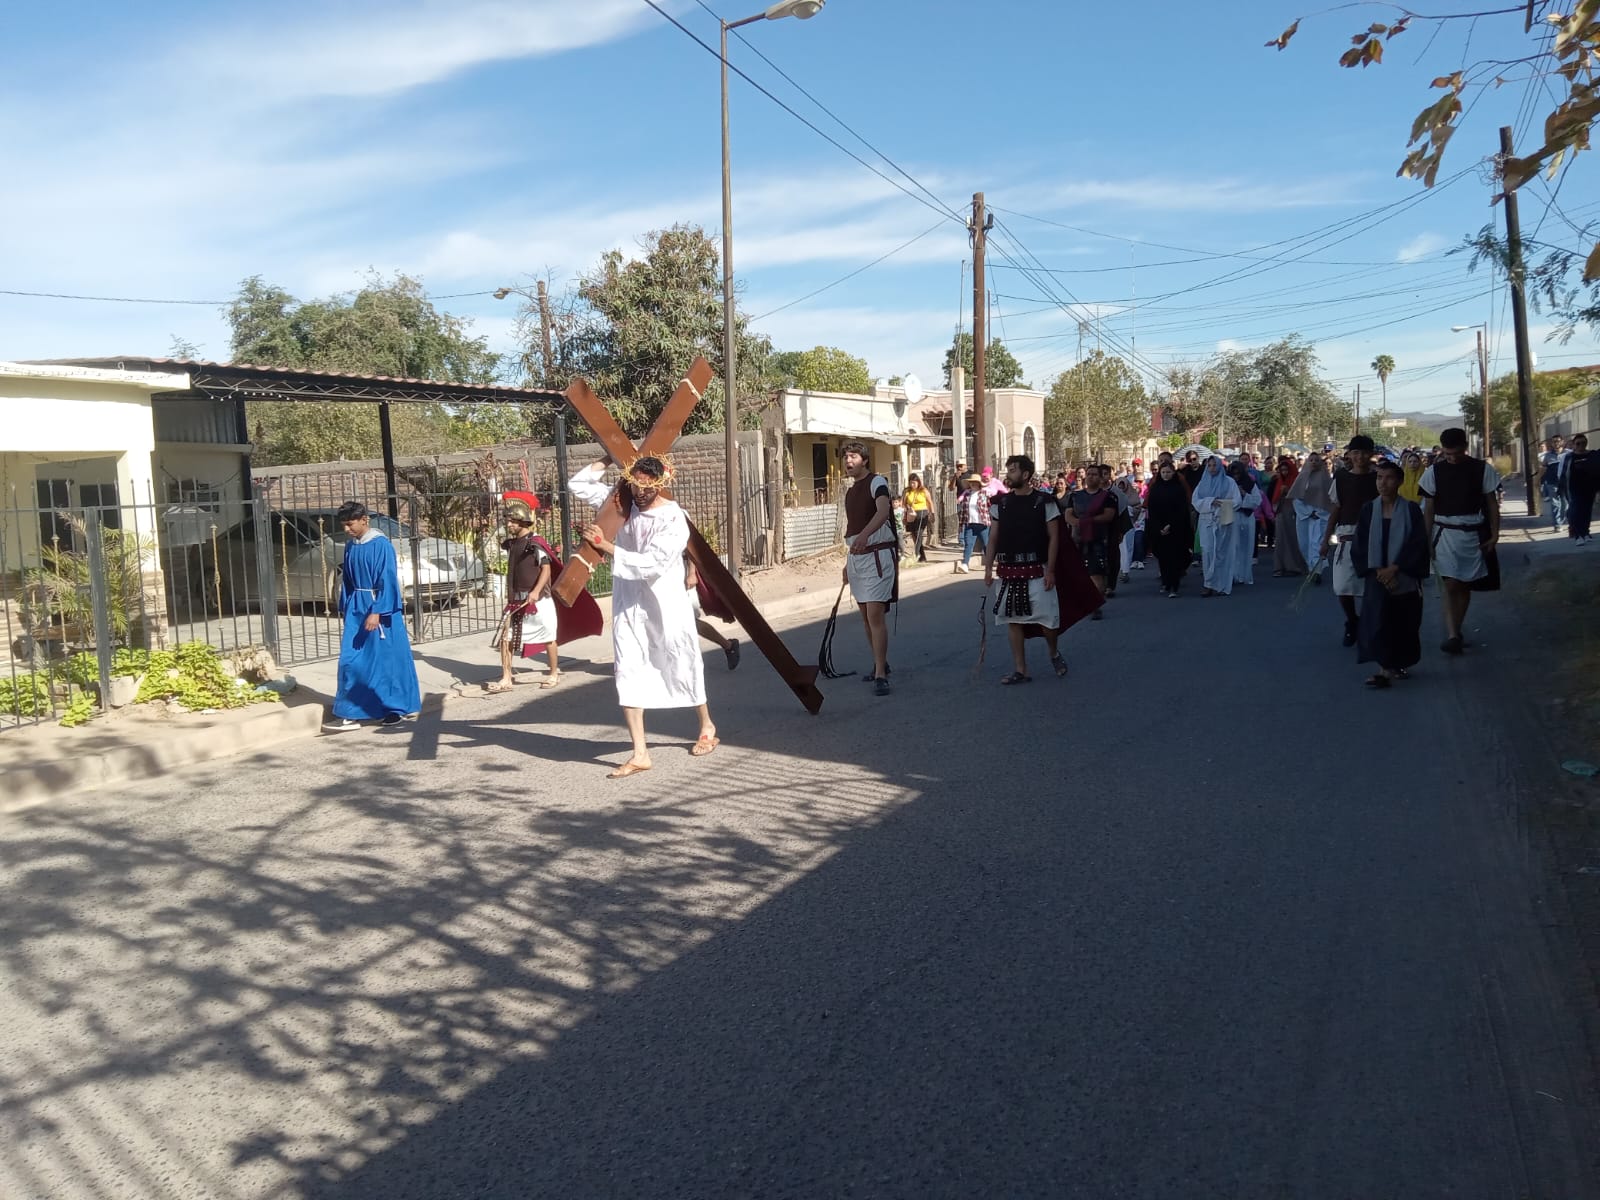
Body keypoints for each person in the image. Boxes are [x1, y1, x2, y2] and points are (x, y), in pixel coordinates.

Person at [570, 456, 718, 778]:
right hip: (629, 604)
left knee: (681, 659)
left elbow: (652, 563)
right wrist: (609, 456)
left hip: (665, 602)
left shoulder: (674, 517)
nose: (639, 492)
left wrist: (605, 546)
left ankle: (706, 724)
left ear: (661, 483)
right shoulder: (622, 505)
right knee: (628, 668)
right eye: (634, 483)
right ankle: (640, 752)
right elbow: (579, 484)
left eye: (646, 486)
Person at [326, 501, 422, 729]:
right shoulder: (351, 546)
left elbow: (388, 580)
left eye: (351, 524)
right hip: (357, 609)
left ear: (364, 520)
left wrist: (377, 611)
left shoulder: (381, 546)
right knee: (352, 660)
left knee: (386, 661)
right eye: (344, 525)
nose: (347, 529)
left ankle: (394, 708)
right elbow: (347, 580)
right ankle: (351, 711)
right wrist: (346, 605)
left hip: (379, 610)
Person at [983, 455, 1068, 683]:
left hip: (1037, 569)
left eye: (1013, 470)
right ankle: (1021, 670)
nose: (1008, 474)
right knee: (1013, 620)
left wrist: (1050, 570)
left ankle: (1053, 652)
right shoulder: (1000, 503)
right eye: (1008, 470)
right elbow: (993, 537)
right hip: (1008, 569)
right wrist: (988, 568)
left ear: (1026, 475)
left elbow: (1054, 538)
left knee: (1048, 620)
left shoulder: (1044, 502)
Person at [1419, 426, 1500, 655]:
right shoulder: (1433, 472)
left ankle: (1458, 628)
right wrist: (1426, 540)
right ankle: (1453, 633)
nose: (1452, 458)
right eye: (1447, 454)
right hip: (1444, 533)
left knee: (1464, 583)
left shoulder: (1482, 469)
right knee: (1451, 583)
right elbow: (1429, 509)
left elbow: (1492, 503)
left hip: (1473, 533)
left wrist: (1495, 533)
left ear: (1465, 447)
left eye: (1456, 453)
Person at [1351, 459, 1429, 688]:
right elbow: (1361, 544)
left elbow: (1417, 543)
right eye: (1379, 477)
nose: (1383, 483)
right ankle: (1384, 669)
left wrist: (1395, 569)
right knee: (1377, 620)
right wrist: (1379, 572)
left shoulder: (1411, 509)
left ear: (1400, 482)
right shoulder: (1368, 509)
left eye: (1389, 478)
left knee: (1403, 622)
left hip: (1403, 575)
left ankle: (1398, 663)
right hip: (1376, 576)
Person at [838, 441, 896, 693]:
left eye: (853, 456)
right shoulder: (850, 492)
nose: (848, 461)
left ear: (865, 460)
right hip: (858, 559)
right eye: (845, 457)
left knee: (874, 613)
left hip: (877, 556)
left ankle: (881, 674)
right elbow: (852, 532)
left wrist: (865, 535)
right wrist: (847, 564)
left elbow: (883, 511)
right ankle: (878, 662)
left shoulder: (877, 483)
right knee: (864, 616)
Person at [486, 497, 560, 693]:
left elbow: (546, 570)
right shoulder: (513, 544)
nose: (508, 524)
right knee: (505, 638)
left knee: (548, 637)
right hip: (516, 600)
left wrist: (535, 591)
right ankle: (506, 678)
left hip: (539, 600)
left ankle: (553, 673)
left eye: (512, 521)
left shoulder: (535, 543)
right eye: (507, 521)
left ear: (522, 521)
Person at [1322, 435, 1380, 647]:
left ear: (1371, 454)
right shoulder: (1341, 477)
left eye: (1364, 452)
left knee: (1370, 588)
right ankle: (1352, 620)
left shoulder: (1379, 477)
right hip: (1346, 536)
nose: (1360, 457)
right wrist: (1325, 539)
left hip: (1373, 536)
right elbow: (1336, 508)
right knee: (1342, 586)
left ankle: (1366, 625)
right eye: (1356, 452)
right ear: (1349, 455)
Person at [1064, 464, 1117, 618]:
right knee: (1079, 574)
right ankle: (1084, 601)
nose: (1091, 477)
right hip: (1078, 539)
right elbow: (1068, 515)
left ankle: (1096, 604)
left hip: (1098, 540)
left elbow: (1109, 516)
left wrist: (1088, 521)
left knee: (1096, 574)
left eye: (1095, 474)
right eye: (1089, 474)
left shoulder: (1108, 497)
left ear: (1101, 478)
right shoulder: (1075, 496)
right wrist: (1077, 522)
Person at [1191, 455, 1240, 596]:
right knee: (1208, 552)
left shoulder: (1229, 482)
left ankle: (1222, 584)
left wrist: (1223, 505)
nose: (1212, 468)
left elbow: (1236, 501)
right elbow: (1195, 500)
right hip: (1207, 521)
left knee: (1221, 552)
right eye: (1210, 465)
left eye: (1215, 465)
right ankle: (1208, 583)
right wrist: (1210, 501)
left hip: (1223, 520)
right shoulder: (1202, 483)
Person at [1144, 460, 1193, 597]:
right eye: (1163, 472)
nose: (1166, 475)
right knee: (1163, 557)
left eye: (1169, 472)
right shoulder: (1155, 489)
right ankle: (1165, 582)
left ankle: (1174, 586)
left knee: (1175, 557)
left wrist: (1170, 525)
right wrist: (1158, 527)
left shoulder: (1178, 489)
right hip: (1159, 529)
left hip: (1175, 529)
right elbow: (1152, 509)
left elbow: (1181, 510)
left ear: (1173, 473)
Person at [685, 554, 740, 670]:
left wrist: (691, 572)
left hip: (680, 573)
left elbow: (689, 542)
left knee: (688, 622)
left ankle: (729, 646)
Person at [1287, 450, 1333, 581]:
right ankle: (1310, 567)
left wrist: (1319, 512)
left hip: (1321, 516)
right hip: (1305, 517)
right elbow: (1296, 497)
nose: (1313, 463)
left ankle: (1316, 571)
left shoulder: (1326, 479)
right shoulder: (1302, 478)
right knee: (1304, 544)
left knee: (1317, 544)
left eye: (1316, 460)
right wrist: (1308, 512)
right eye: (1311, 460)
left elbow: (1329, 499)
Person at [1269, 456, 1306, 577]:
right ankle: (1280, 567)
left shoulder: (1297, 481)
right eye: (1282, 470)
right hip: (1281, 512)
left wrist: (1289, 491)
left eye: (1286, 470)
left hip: (1294, 512)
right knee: (1280, 539)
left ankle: (1295, 566)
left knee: (1293, 539)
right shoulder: (1278, 481)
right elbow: (1273, 498)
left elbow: (1301, 497)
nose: (1284, 472)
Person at [1230, 459, 1264, 585]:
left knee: (1246, 546)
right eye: (1234, 474)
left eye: (1238, 473)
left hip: (1246, 517)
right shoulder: (1228, 484)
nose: (1236, 476)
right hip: (1232, 517)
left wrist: (1244, 494)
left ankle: (1244, 575)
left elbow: (1257, 501)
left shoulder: (1250, 483)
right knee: (1233, 547)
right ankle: (1233, 574)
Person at [1563, 433, 1598, 543]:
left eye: (1584, 443)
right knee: (1575, 511)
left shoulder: (1592, 455)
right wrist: (1561, 487)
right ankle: (1578, 535)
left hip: (1590, 488)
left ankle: (1585, 532)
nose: (1581, 445)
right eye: (1578, 443)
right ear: (1573, 445)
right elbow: (1563, 473)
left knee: (1586, 511)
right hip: (1574, 489)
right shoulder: (1569, 457)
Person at [956, 471, 990, 573]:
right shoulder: (967, 495)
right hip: (970, 523)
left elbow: (990, 504)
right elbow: (964, 510)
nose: (973, 484)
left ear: (979, 484)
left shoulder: (985, 493)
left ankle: (989, 565)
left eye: (975, 482)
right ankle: (965, 564)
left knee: (986, 545)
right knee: (968, 544)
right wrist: (962, 523)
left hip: (982, 523)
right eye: (971, 483)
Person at [901, 473, 935, 562]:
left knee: (919, 533)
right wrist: (905, 515)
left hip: (922, 513)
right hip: (911, 514)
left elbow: (930, 502)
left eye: (914, 483)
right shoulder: (907, 491)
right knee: (914, 535)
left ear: (918, 482)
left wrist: (932, 513)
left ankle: (915, 555)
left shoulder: (923, 491)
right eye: (911, 483)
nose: (912, 485)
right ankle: (922, 556)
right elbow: (904, 504)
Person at [1540, 436, 1568, 531]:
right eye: (1554, 442)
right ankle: (1557, 524)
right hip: (1552, 482)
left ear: (1562, 442)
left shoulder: (1568, 453)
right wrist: (1540, 480)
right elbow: (1543, 468)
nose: (1556, 443)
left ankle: (1561, 520)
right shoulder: (1548, 455)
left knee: (1565, 504)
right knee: (1555, 503)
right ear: (1551, 443)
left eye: (1558, 441)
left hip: (1565, 482)